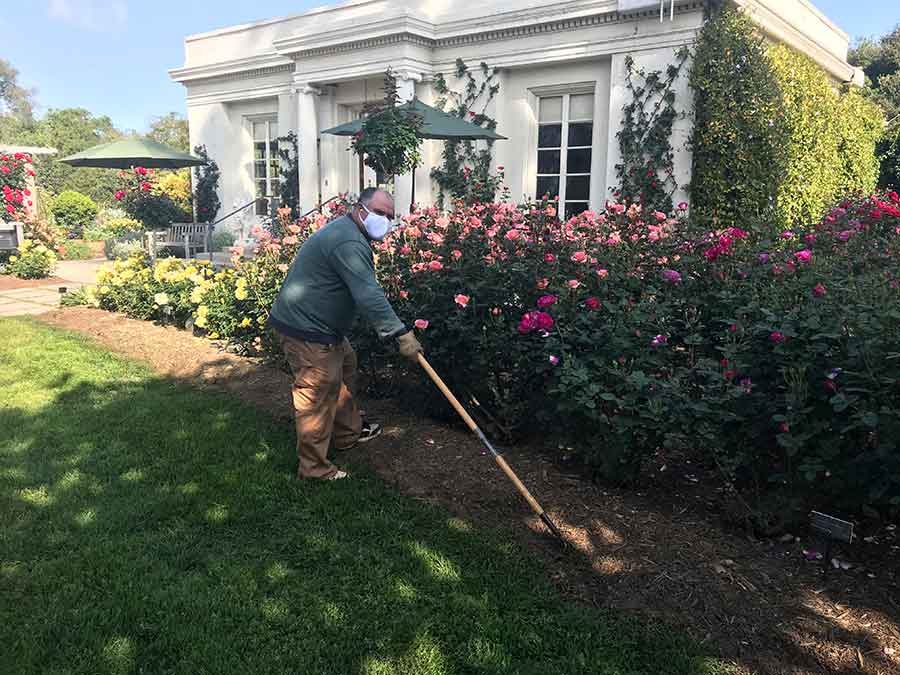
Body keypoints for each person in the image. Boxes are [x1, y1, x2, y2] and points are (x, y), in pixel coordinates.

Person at [268, 188, 423, 481]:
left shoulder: (350, 232)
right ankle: (314, 468)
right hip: (307, 328)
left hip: (324, 326)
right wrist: (400, 334)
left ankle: (347, 434)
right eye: (379, 213)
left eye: (390, 217)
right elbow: (368, 293)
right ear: (360, 208)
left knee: (346, 365)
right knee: (317, 390)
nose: (385, 221)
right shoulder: (348, 241)